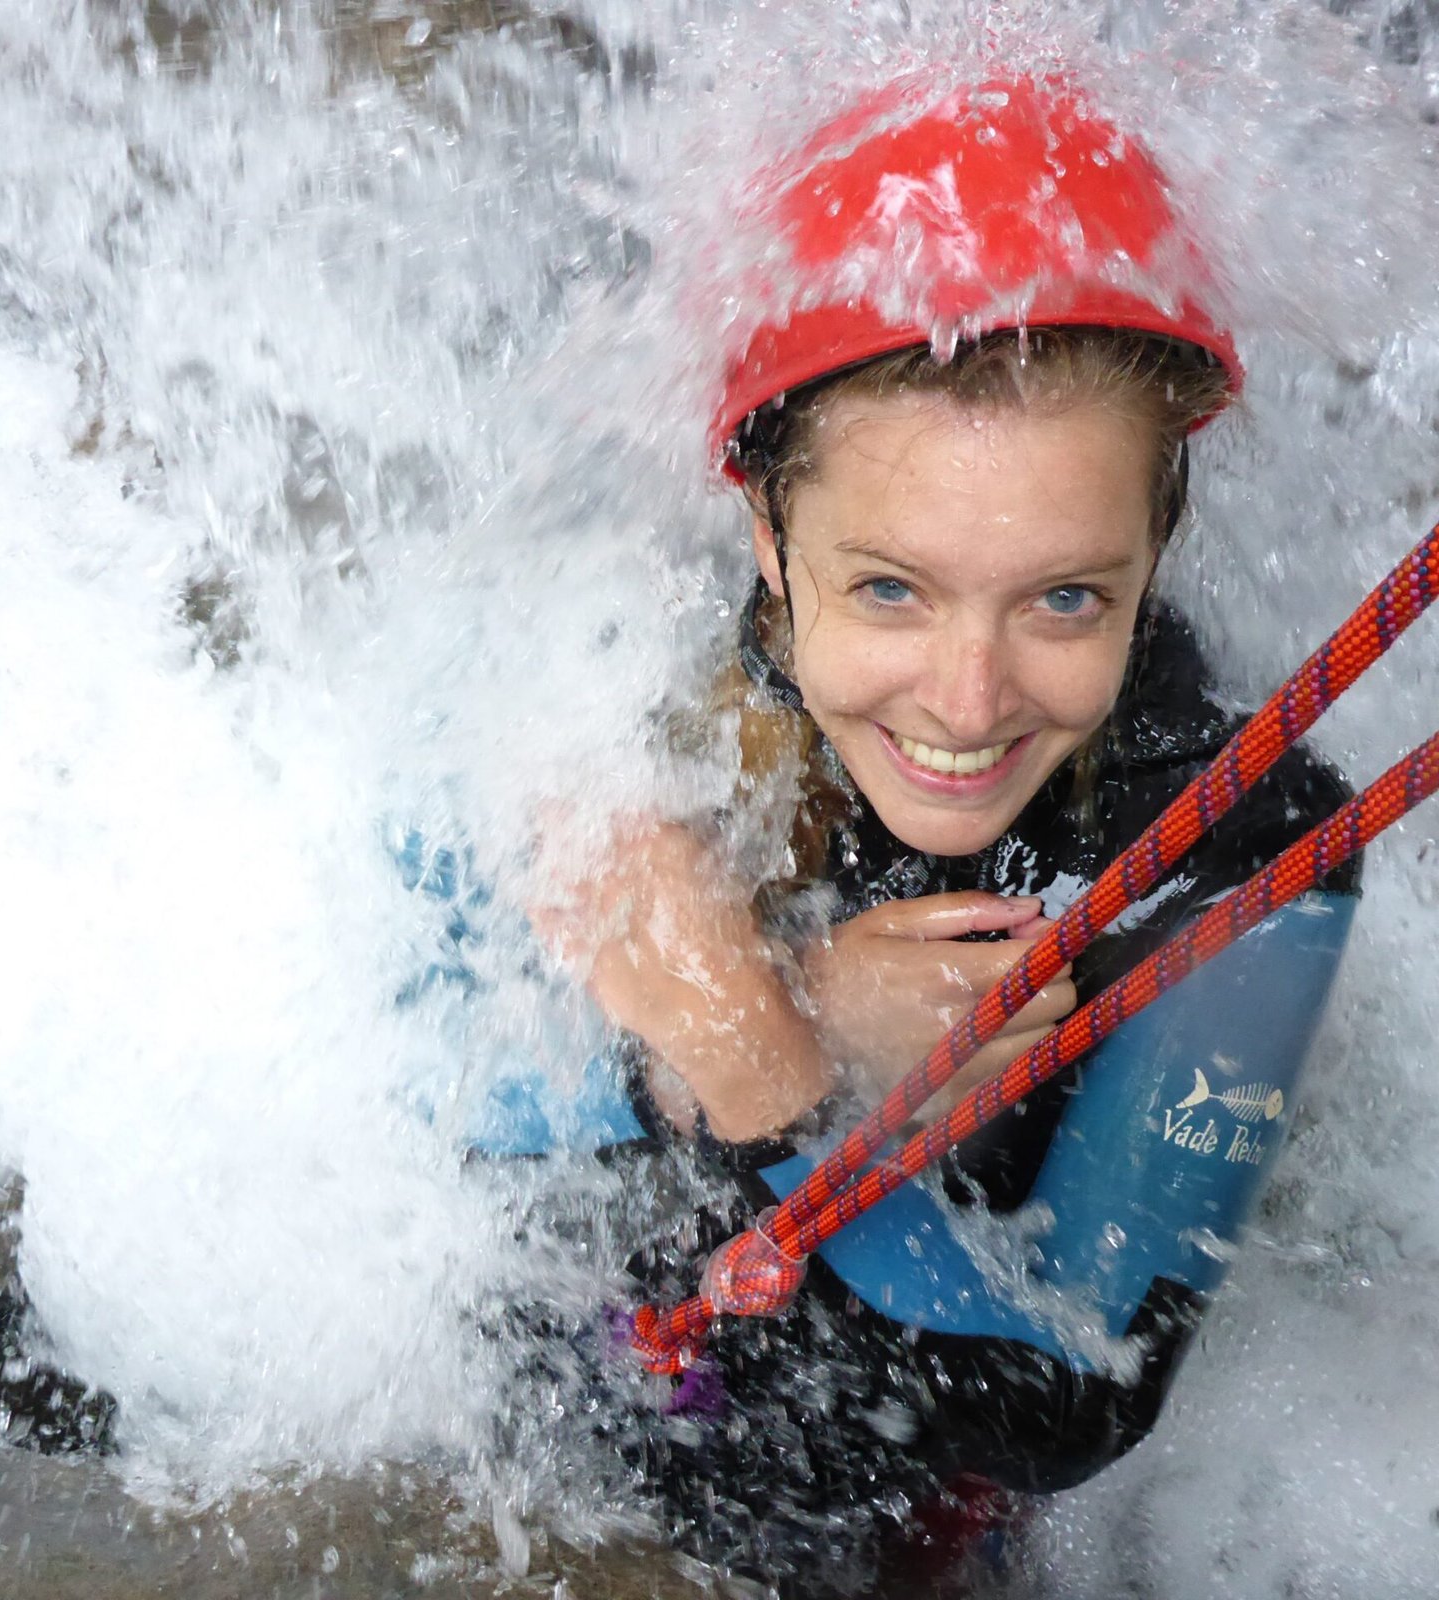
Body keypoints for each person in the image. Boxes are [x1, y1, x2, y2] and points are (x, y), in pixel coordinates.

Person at [487, 70, 1361, 1592]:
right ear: (766, 536)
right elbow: (367, 1128)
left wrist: (762, 1087)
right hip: (531, 1403)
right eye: (888, 587)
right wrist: (780, 1029)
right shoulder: (625, 691)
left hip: (889, 1501)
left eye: (1066, 597)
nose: (967, 702)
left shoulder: (1241, 835)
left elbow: (1079, 1395)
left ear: (1160, 544)